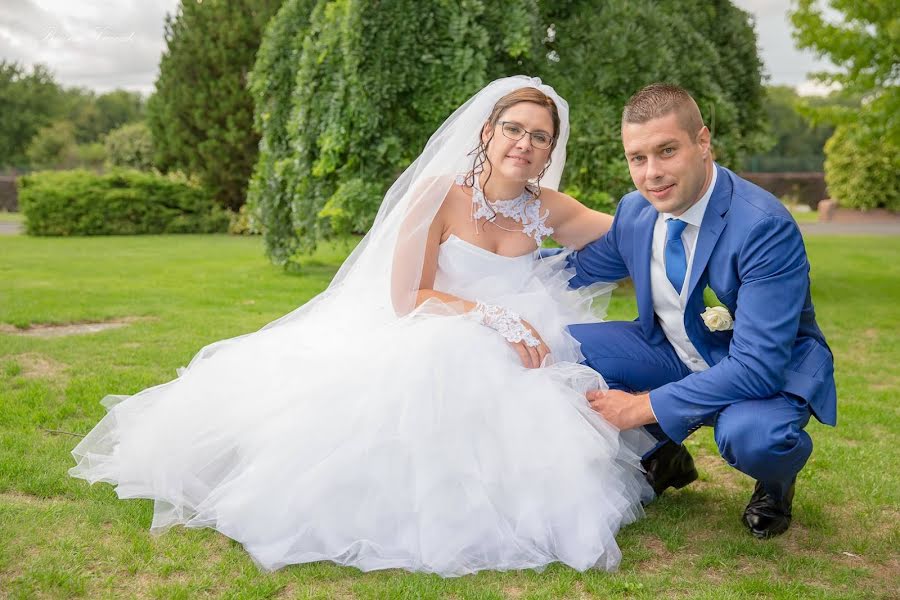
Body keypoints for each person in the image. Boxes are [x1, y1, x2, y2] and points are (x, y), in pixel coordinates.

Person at [70, 76, 655, 577]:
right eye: (513, 129)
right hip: (437, 327)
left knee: (544, 401)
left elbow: (636, 230)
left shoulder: (549, 207)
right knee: (442, 369)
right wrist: (493, 316)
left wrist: (683, 204)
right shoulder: (438, 195)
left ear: (551, 149)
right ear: (487, 132)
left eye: (539, 136)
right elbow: (408, 298)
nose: (524, 144)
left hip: (523, 342)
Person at [567, 83, 836, 539]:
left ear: (703, 142)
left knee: (754, 438)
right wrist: (475, 262)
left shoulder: (763, 227)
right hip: (673, 352)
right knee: (559, 346)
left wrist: (640, 407)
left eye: (666, 150)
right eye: (638, 158)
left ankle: (775, 481)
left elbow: (758, 366)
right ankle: (666, 452)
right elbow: (577, 268)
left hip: (764, 375)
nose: (651, 173)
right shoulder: (635, 212)